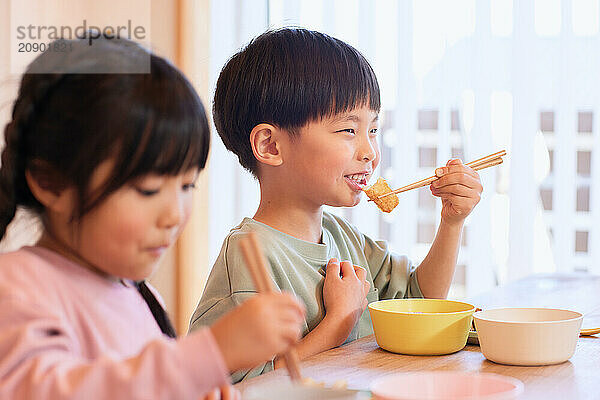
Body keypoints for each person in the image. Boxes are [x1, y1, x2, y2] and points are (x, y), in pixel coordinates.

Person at [0, 37, 305, 400]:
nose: (175, 215)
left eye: (187, 186)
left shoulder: (137, 292)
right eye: (147, 190)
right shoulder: (17, 288)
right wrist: (210, 353)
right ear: (51, 184)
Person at [190, 28, 483, 382]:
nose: (370, 153)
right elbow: (236, 386)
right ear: (270, 146)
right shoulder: (249, 256)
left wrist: (451, 222)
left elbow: (421, 300)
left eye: (372, 130)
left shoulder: (341, 237)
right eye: (348, 130)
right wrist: (338, 322)